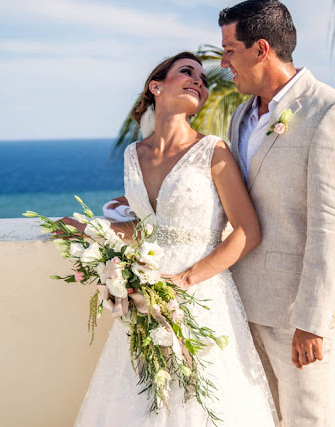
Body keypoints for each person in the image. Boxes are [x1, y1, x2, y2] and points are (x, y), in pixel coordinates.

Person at [63, 52, 279, 426]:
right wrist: (87, 227)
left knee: (204, 403)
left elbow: (248, 231)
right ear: (156, 86)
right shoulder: (134, 155)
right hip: (146, 299)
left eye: (202, 78)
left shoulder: (213, 151)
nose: (199, 80)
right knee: (144, 399)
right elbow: (145, 230)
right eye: (187, 72)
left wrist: (186, 280)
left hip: (201, 296)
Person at [218, 1, 335, 426]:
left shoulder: (331, 112)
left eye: (230, 50)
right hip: (243, 307)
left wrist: (312, 321)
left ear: (260, 49)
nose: (224, 63)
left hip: (298, 317)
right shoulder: (240, 116)